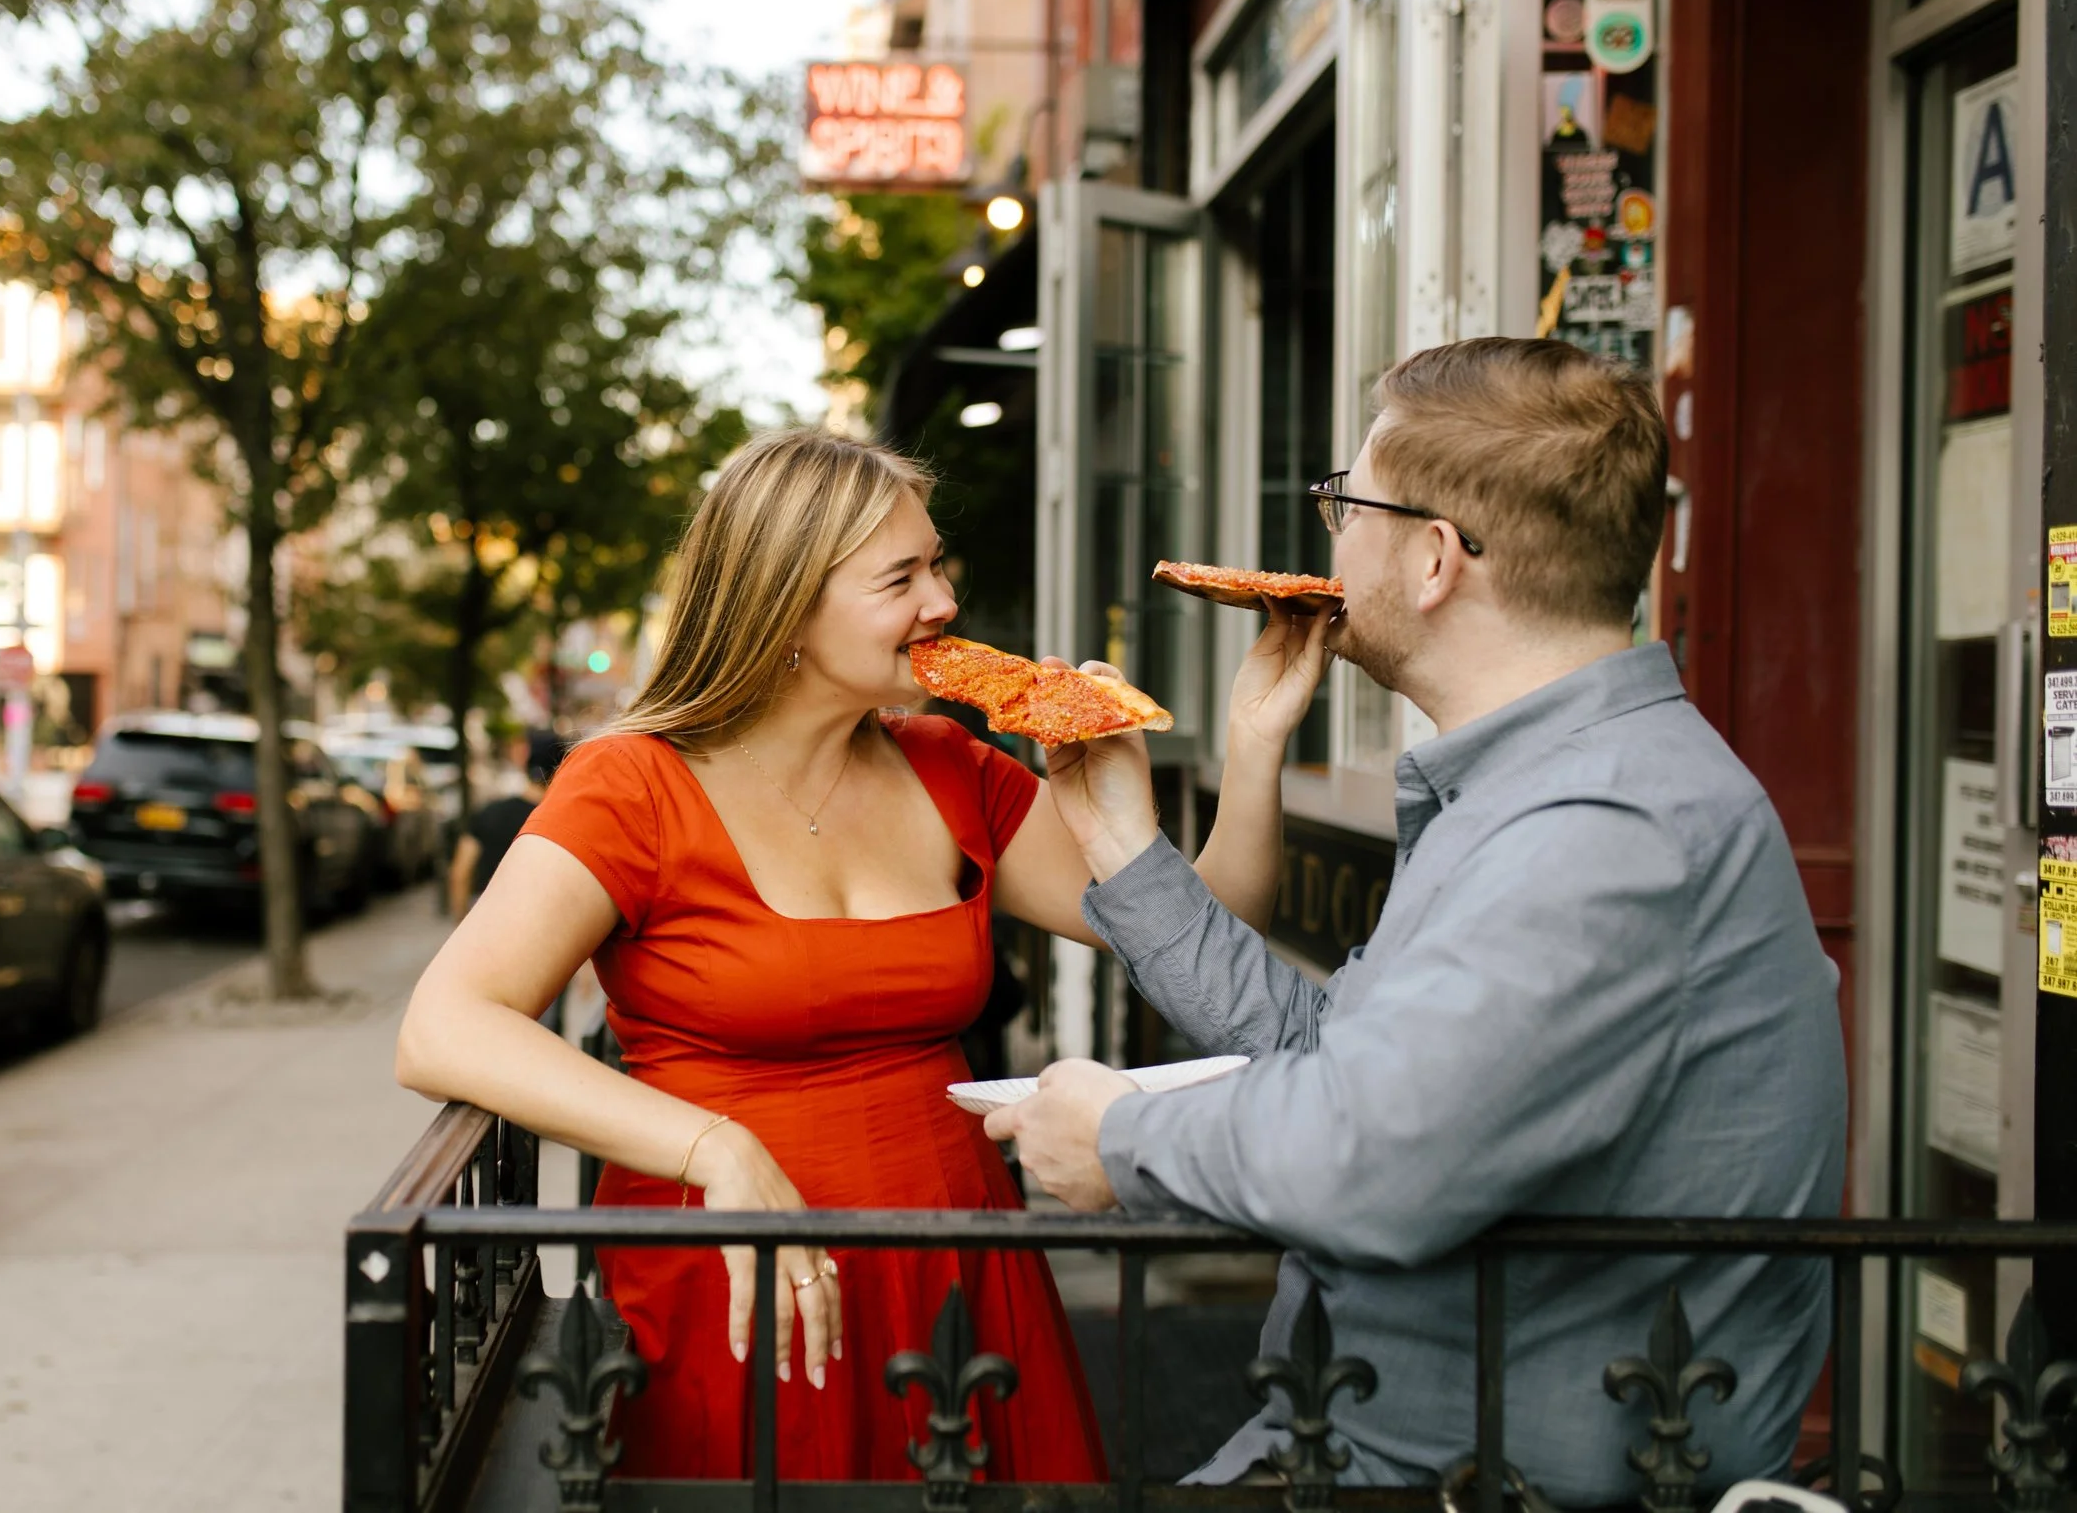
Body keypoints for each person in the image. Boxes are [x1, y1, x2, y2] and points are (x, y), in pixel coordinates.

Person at [988, 338, 1846, 1503]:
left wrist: (1121, 1146)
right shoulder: (1530, 791)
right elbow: (1330, 1049)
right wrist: (1122, 847)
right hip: (1370, 1449)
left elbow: (1371, 1148)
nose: (1328, 534)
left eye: (1345, 501)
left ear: (1435, 557)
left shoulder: (1606, 825)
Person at [406, 429, 1307, 1481]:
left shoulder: (950, 765)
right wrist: (713, 1147)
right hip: (743, 1278)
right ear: (786, 602)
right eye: (902, 576)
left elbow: (1207, 929)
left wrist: (1253, 741)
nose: (943, 601)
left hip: (964, 1265)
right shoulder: (629, 785)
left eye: (937, 563)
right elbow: (444, 1023)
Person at [447, 728, 566, 920]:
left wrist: (461, 921)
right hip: (538, 921)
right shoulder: (562, 822)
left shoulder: (489, 813)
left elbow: (460, 872)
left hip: (485, 917)